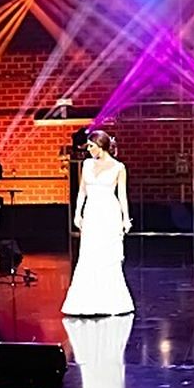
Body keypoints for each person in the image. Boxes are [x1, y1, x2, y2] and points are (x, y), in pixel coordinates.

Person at [62, 130, 135, 316]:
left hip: (109, 213)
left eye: (92, 146)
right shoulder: (86, 164)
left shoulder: (118, 167)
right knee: (88, 254)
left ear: (101, 146)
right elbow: (82, 191)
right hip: (92, 212)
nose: (89, 150)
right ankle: (87, 302)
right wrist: (77, 213)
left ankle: (109, 302)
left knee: (107, 256)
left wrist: (125, 218)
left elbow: (122, 196)